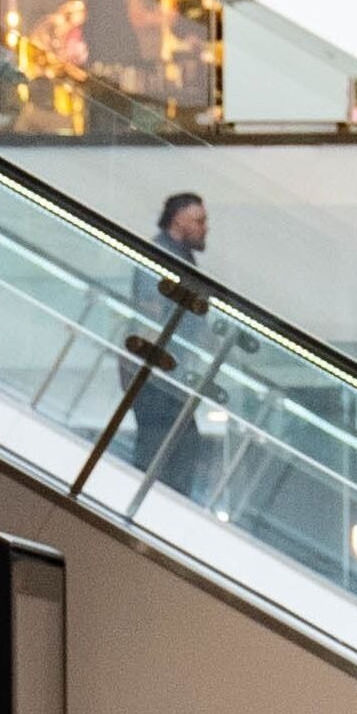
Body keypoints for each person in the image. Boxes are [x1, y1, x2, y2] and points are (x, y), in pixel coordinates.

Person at [131, 191, 211, 493]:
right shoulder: (162, 256)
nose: (205, 227)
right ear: (178, 219)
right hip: (158, 374)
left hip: (167, 369)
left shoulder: (181, 257)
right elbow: (149, 311)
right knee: (169, 445)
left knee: (179, 444)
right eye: (199, 220)